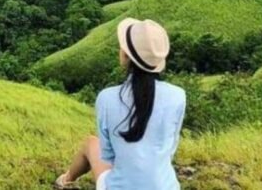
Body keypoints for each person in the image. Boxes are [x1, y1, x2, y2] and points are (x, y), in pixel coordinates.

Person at [55, 18, 186, 190]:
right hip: (166, 186)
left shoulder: (106, 98)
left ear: (125, 55)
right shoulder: (178, 96)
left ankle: (65, 180)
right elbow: (170, 149)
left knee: (90, 143)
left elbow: (108, 155)